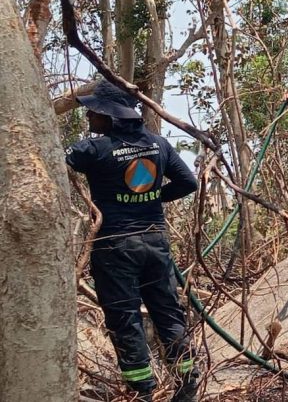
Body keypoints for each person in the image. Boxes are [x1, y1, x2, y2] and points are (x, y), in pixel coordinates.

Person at [66, 80, 200, 402]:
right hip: (155, 240)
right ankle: (188, 383)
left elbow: (52, 161)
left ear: (109, 117)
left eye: (93, 112)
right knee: (167, 312)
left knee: (124, 318)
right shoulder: (159, 145)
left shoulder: (94, 149)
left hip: (115, 246)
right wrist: (151, 198)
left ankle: (142, 391)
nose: (88, 117)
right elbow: (188, 182)